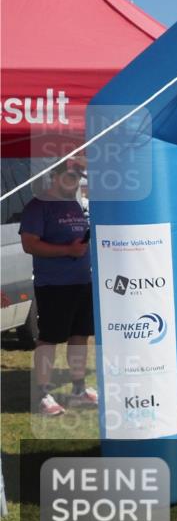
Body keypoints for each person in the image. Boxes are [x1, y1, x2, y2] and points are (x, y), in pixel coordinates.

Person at [19, 161, 98, 416]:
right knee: (49, 339)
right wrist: (68, 250)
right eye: (71, 177)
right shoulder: (38, 206)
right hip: (54, 284)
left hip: (81, 281)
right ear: (55, 177)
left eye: (78, 178)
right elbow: (29, 244)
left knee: (80, 336)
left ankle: (78, 390)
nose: (75, 182)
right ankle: (43, 394)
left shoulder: (73, 204)